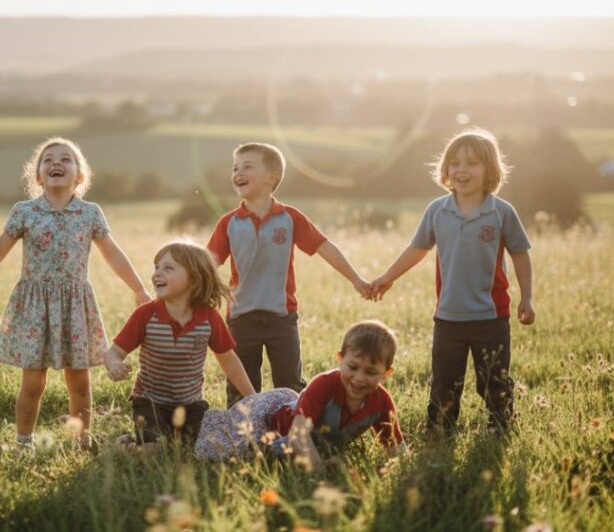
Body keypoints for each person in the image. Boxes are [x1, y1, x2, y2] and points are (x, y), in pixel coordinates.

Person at [0, 137, 150, 449]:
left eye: (65, 159)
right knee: (33, 381)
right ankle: (24, 441)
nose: (56, 163)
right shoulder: (25, 211)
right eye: (48, 160)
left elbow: (113, 254)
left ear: (80, 176)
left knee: (80, 380)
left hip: (75, 305)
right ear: (37, 176)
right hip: (35, 305)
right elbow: (0, 250)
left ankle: (82, 440)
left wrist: (139, 289)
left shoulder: (89, 213)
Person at [370, 128, 534, 435]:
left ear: (490, 170)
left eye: (472, 163)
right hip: (448, 317)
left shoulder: (500, 212)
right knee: (445, 380)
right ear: (446, 169)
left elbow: (521, 254)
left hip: (492, 316)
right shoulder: (437, 210)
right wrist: (388, 277)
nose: (461, 169)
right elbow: (417, 248)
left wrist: (527, 297)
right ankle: (440, 430)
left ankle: (500, 426)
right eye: (455, 163)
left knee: (494, 380)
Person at [207, 142, 371, 407]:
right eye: (235, 167)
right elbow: (207, 264)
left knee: (290, 384)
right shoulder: (229, 223)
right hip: (240, 318)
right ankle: (243, 440)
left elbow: (324, 247)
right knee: (241, 386)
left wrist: (356, 279)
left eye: (247, 166)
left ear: (271, 178)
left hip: (281, 319)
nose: (238, 172)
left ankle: (292, 434)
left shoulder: (289, 218)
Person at [104, 240, 255, 451]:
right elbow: (114, 352)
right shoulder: (146, 314)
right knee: (153, 451)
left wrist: (252, 398)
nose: (157, 273)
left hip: (190, 404)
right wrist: (114, 364)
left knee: (198, 447)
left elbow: (229, 361)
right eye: (157, 267)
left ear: (193, 279)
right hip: (150, 401)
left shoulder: (209, 319)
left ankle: (166, 438)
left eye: (168, 268)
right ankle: (126, 445)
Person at [195, 320, 404, 465]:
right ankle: (195, 423)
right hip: (274, 424)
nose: (359, 378)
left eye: (371, 372)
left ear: (386, 373)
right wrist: (319, 474)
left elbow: (396, 448)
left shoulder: (381, 402)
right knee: (233, 450)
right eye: (353, 367)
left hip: (317, 440)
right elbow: (298, 435)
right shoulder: (324, 385)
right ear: (340, 360)